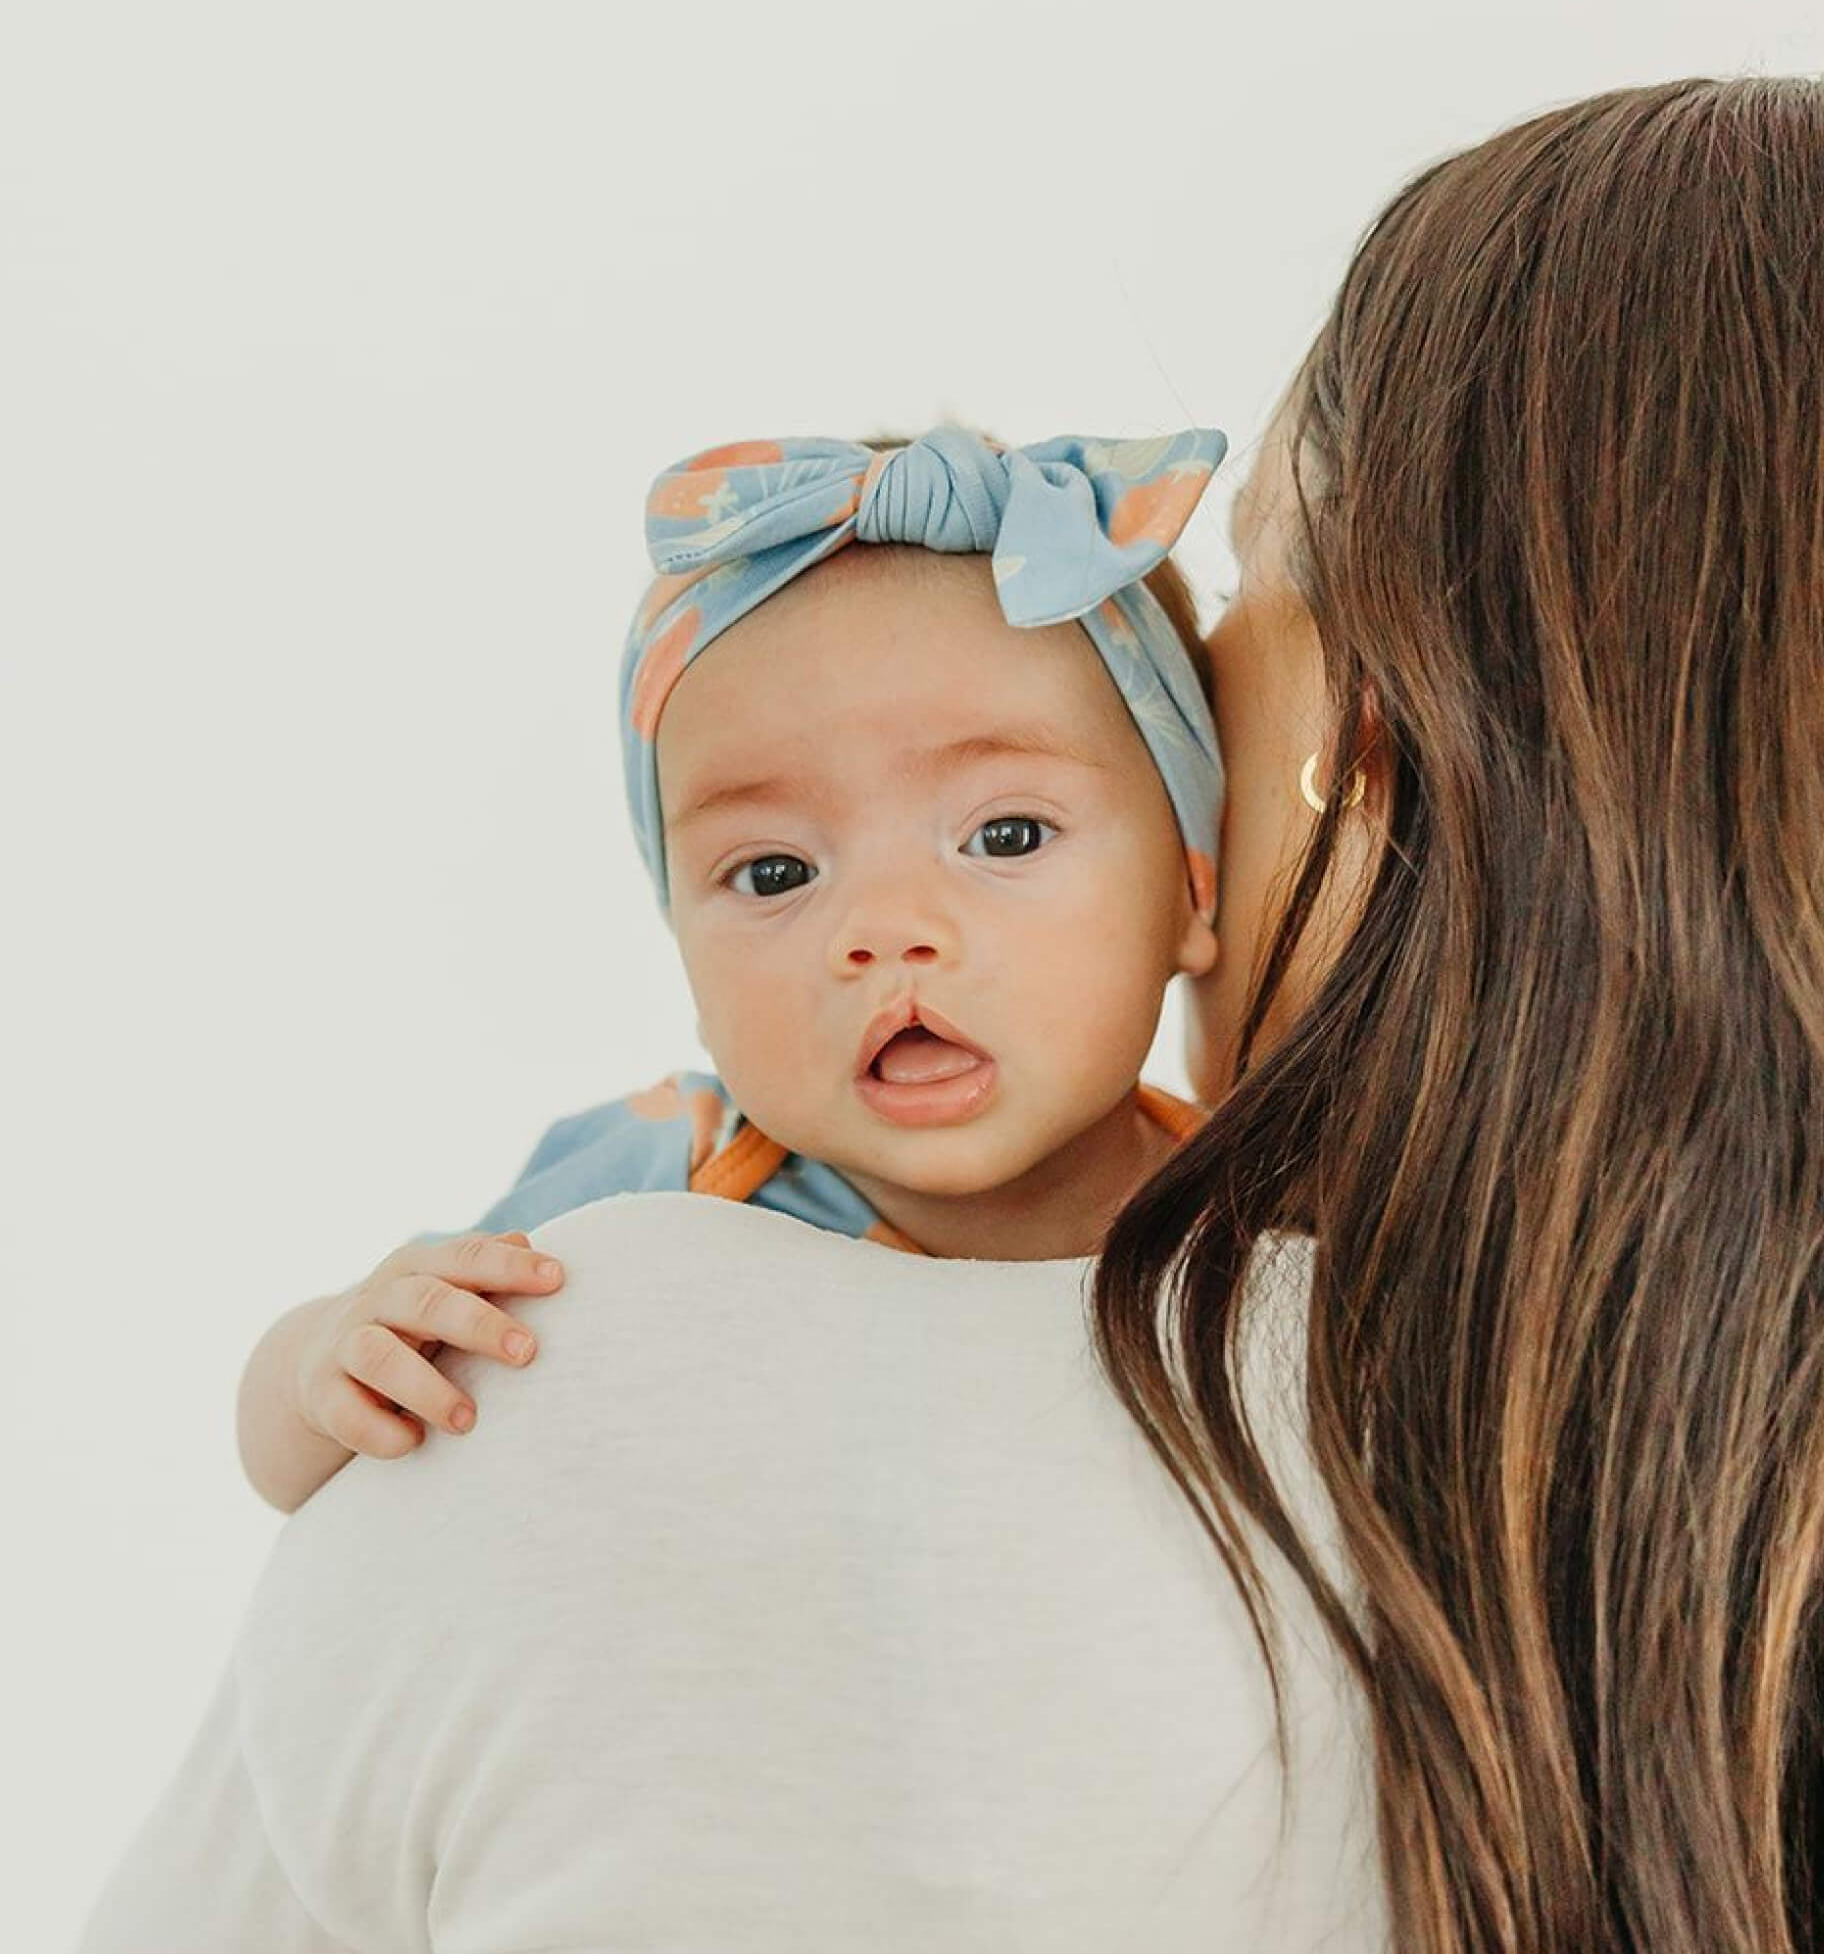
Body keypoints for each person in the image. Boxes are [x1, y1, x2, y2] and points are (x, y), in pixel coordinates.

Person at [79, 74, 1824, 1952]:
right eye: (774, 869)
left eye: (1249, 582)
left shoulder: (589, 1385)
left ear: (1357, 752)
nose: (899, 930)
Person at [236, 425, 1230, 1516]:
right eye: (772, 870)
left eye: (1005, 836)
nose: (885, 928)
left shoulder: (1270, 1206)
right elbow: (318, 1450)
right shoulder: (668, 1184)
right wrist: (317, 1362)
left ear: (1189, 884)